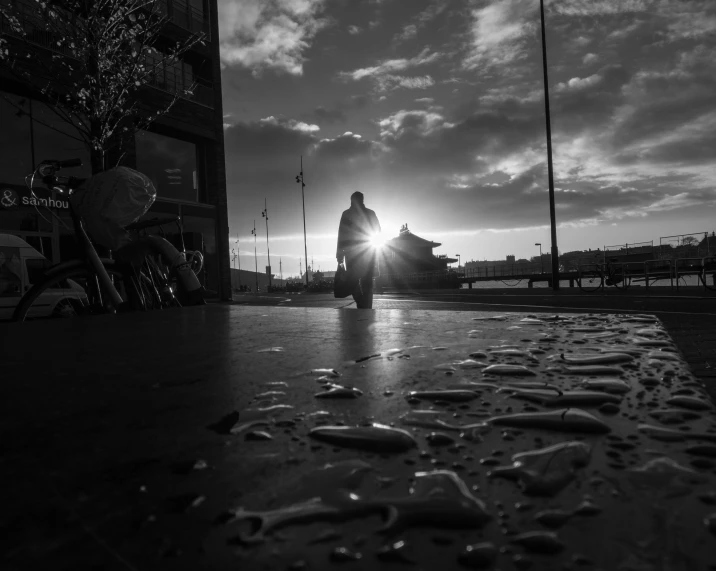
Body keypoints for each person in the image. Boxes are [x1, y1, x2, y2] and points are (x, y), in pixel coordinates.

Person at [336, 191, 381, 309]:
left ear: (352, 200)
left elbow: (342, 234)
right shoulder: (371, 213)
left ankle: (361, 303)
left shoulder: (347, 214)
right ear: (362, 200)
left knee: (353, 281)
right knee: (367, 282)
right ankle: (366, 305)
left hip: (352, 253)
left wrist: (339, 254)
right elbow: (378, 231)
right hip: (368, 251)